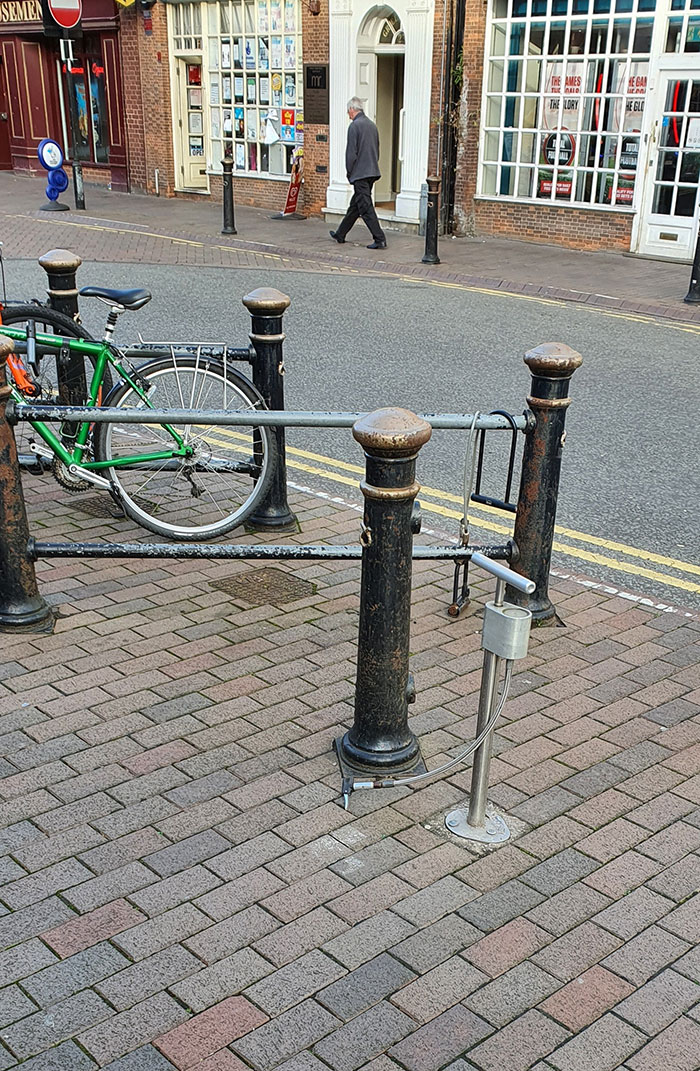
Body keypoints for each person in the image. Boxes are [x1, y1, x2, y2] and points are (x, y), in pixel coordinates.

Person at [330, 98, 387, 250]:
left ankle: (379, 239)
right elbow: (377, 150)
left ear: (352, 109)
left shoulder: (354, 126)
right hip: (371, 171)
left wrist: (350, 173)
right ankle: (340, 233)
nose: (348, 114)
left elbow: (351, 154)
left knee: (365, 207)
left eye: (348, 111)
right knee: (355, 205)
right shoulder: (372, 125)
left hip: (360, 173)